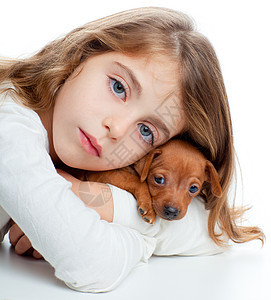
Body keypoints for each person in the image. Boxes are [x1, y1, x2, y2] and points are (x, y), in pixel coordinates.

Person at [0, 7, 264, 293]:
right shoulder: (9, 127)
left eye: (146, 131)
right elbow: (92, 266)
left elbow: (215, 231)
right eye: (118, 87)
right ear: (83, 52)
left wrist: (94, 202)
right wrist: (143, 241)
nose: (117, 128)